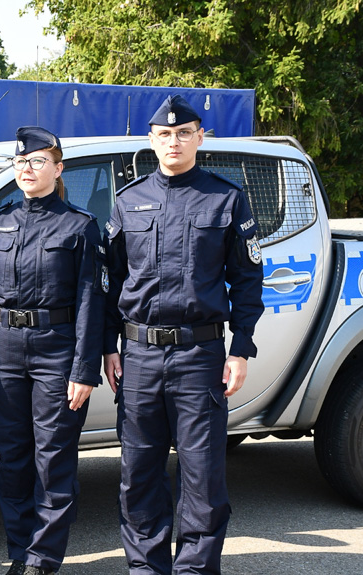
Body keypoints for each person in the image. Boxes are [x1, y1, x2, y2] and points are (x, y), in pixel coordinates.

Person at [103, 95, 264, 574]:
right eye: (164, 135)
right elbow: (112, 280)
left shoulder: (225, 198)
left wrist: (242, 348)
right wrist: (109, 345)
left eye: (184, 133)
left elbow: (248, 279)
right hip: (138, 357)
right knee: (138, 475)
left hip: (200, 355)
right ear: (151, 141)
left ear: (199, 137)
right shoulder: (127, 200)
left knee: (203, 477)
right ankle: (146, 568)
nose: (174, 141)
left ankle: (195, 569)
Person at [0, 126, 106, 575]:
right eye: (21, 162)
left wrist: (84, 370)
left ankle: (43, 559)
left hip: (57, 352)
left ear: (58, 168)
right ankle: (18, 552)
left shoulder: (80, 227)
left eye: (38, 161)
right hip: (4, 351)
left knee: (53, 460)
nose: (27, 169)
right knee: (12, 460)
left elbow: (91, 301)